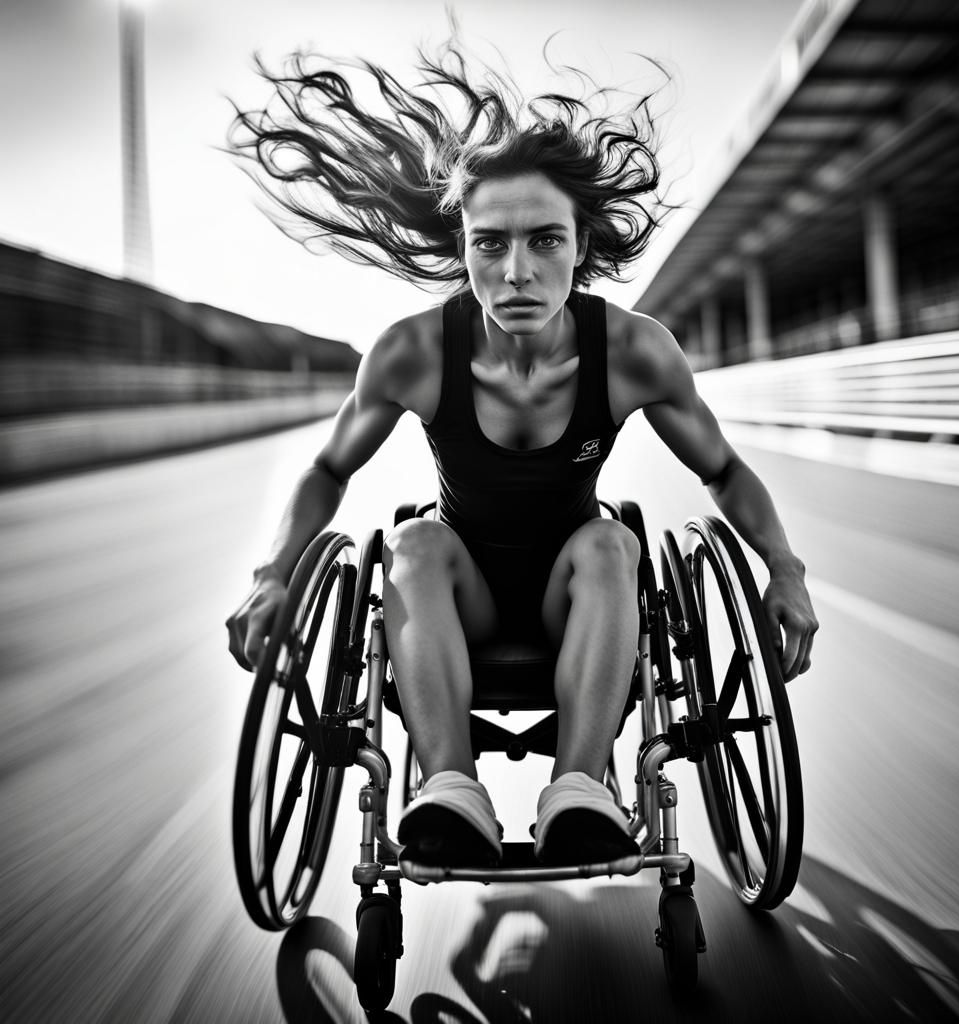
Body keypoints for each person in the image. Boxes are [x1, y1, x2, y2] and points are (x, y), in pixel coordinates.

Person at [225, 42, 818, 868]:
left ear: (582, 245)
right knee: (411, 541)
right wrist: (271, 575)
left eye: (544, 241)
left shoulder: (635, 353)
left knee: (613, 541)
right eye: (490, 245)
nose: (516, 273)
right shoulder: (412, 353)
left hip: (574, 592)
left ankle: (577, 790)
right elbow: (328, 470)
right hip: (456, 591)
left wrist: (784, 568)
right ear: (463, 248)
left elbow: (723, 471)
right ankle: (450, 789)